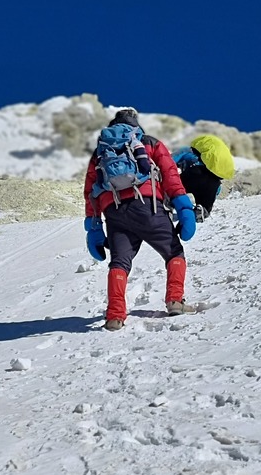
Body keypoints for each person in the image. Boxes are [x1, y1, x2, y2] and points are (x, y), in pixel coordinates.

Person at [83, 108, 196, 331]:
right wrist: (184, 207)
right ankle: (175, 300)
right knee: (173, 251)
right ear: (135, 123)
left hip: (114, 212)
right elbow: (170, 174)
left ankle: (115, 316)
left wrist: (93, 226)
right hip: (147, 206)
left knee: (119, 262)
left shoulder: (101, 150)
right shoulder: (148, 142)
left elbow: (90, 191)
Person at [172, 134, 235, 220]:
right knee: (211, 188)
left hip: (186, 177)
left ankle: (172, 200)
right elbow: (217, 191)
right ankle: (202, 210)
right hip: (207, 186)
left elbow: (169, 160)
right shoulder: (215, 176)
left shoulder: (188, 152)